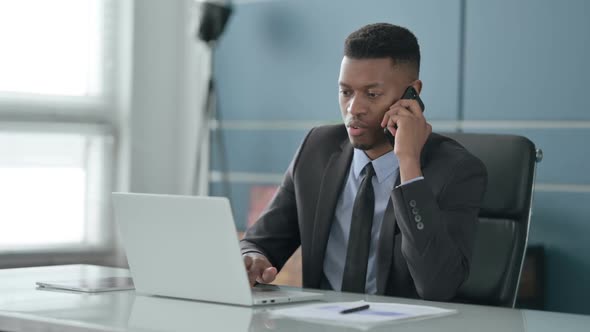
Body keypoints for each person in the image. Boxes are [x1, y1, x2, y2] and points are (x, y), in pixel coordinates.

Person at [239, 23, 487, 301]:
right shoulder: (317, 149)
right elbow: (259, 242)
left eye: (372, 94)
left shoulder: (456, 170)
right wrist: (252, 258)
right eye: (346, 92)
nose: (354, 109)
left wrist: (408, 165)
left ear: (412, 93)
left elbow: (438, 286)